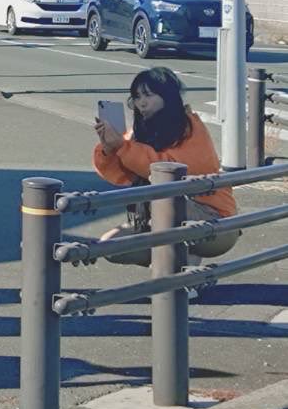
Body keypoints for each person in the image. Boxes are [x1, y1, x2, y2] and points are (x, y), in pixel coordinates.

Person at [92, 66, 240, 266]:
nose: (141, 103)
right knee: (110, 245)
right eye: (136, 97)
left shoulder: (190, 127)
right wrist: (109, 148)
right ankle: (176, 269)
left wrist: (122, 147)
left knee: (167, 205)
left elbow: (167, 170)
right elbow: (118, 175)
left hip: (215, 219)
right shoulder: (141, 131)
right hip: (159, 217)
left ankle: (182, 275)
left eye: (148, 95)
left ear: (167, 96)